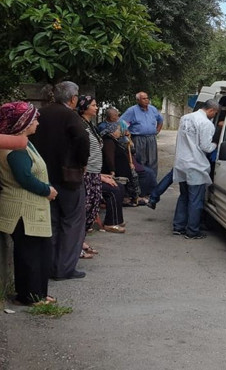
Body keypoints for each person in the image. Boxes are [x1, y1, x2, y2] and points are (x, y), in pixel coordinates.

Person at [30, 81, 90, 281]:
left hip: (44, 175)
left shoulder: (41, 113)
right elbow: (82, 139)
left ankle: (50, 266)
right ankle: (64, 268)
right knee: (72, 222)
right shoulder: (70, 116)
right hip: (68, 177)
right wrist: (82, 162)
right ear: (73, 99)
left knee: (52, 222)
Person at [0, 102, 59, 305]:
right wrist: (47, 190)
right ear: (22, 123)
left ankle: (38, 294)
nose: (37, 122)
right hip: (23, 210)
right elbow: (24, 177)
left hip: (31, 208)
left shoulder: (22, 143)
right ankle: (30, 297)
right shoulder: (15, 149)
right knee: (30, 255)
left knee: (40, 252)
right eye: (34, 119)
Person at [172, 100, 219, 239]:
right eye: (214, 114)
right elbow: (205, 147)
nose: (214, 116)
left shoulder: (185, 118)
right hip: (195, 165)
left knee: (184, 196)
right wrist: (215, 144)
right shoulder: (206, 124)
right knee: (195, 200)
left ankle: (178, 226)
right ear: (211, 110)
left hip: (181, 163)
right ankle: (192, 231)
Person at [77, 95, 104, 254]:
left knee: (93, 207)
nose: (96, 107)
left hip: (95, 171)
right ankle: (77, 244)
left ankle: (82, 240)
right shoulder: (79, 124)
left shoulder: (90, 124)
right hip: (87, 172)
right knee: (85, 207)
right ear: (84, 107)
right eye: (93, 105)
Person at [100, 123, 143, 210]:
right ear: (113, 131)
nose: (120, 132)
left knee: (134, 175)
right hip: (116, 169)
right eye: (118, 130)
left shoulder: (114, 139)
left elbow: (131, 149)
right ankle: (130, 198)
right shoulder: (108, 141)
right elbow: (109, 157)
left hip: (123, 167)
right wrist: (112, 170)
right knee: (132, 176)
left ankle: (134, 197)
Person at [121, 91, 163, 175]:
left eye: (147, 98)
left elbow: (160, 120)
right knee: (140, 160)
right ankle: (141, 181)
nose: (146, 100)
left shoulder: (153, 109)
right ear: (138, 100)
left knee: (152, 160)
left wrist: (157, 130)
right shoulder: (132, 110)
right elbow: (122, 123)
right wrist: (126, 132)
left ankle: (152, 181)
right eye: (144, 99)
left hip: (151, 138)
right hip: (138, 139)